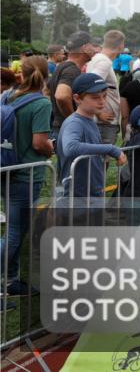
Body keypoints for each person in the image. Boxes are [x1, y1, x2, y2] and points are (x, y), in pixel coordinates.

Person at [0, 55, 53, 296]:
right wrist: (51, 147)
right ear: (46, 75)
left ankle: (10, 280)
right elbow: (39, 143)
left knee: (14, 228)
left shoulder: (8, 96)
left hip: (6, 168)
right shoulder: (41, 103)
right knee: (15, 232)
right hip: (27, 173)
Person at [56, 73, 128, 199]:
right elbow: (71, 147)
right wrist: (111, 149)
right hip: (76, 196)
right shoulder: (75, 123)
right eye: (95, 98)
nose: (102, 102)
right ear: (77, 98)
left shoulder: (90, 120)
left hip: (91, 191)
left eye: (104, 96)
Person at [49, 31, 98, 138]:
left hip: (60, 127)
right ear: (85, 48)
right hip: (68, 131)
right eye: (92, 46)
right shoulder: (72, 70)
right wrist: (73, 120)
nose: (95, 50)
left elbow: (46, 91)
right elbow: (61, 96)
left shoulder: (62, 66)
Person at [87, 30, 126, 144]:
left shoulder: (98, 59)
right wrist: (98, 113)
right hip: (103, 124)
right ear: (121, 45)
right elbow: (90, 84)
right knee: (102, 160)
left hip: (102, 122)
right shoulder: (104, 62)